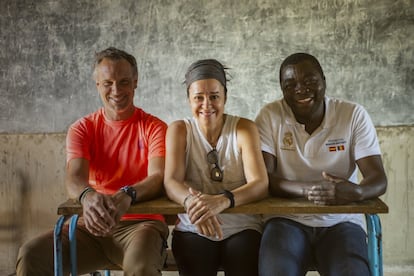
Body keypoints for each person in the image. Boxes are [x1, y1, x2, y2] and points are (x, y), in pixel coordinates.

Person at [16, 47, 169, 276]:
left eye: (124, 82)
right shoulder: (82, 128)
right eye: (108, 83)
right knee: (31, 255)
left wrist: (128, 194)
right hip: (89, 226)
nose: (116, 90)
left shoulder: (154, 127)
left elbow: (157, 177)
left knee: (141, 268)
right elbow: (74, 177)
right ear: (97, 84)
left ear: (135, 82)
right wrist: (88, 196)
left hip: (141, 226)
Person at [255, 52, 388, 276]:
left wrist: (354, 192)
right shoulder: (270, 116)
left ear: (324, 81)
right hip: (285, 219)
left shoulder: (353, 115)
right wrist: (309, 191)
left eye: (309, 81)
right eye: (290, 84)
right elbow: (265, 179)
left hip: (342, 220)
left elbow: (378, 178)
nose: (300, 89)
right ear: (282, 90)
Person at [164, 59, 268, 276]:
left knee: (243, 258)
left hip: (243, 226)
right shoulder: (179, 130)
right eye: (198, 98)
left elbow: (260, 184)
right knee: (195, 259)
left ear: (225, 97)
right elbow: (171, 181)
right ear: (188, 100)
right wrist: (193, 202)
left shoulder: (244, 128)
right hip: (194, 225)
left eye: (214, 97)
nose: (207, 104)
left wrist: (223, 201)